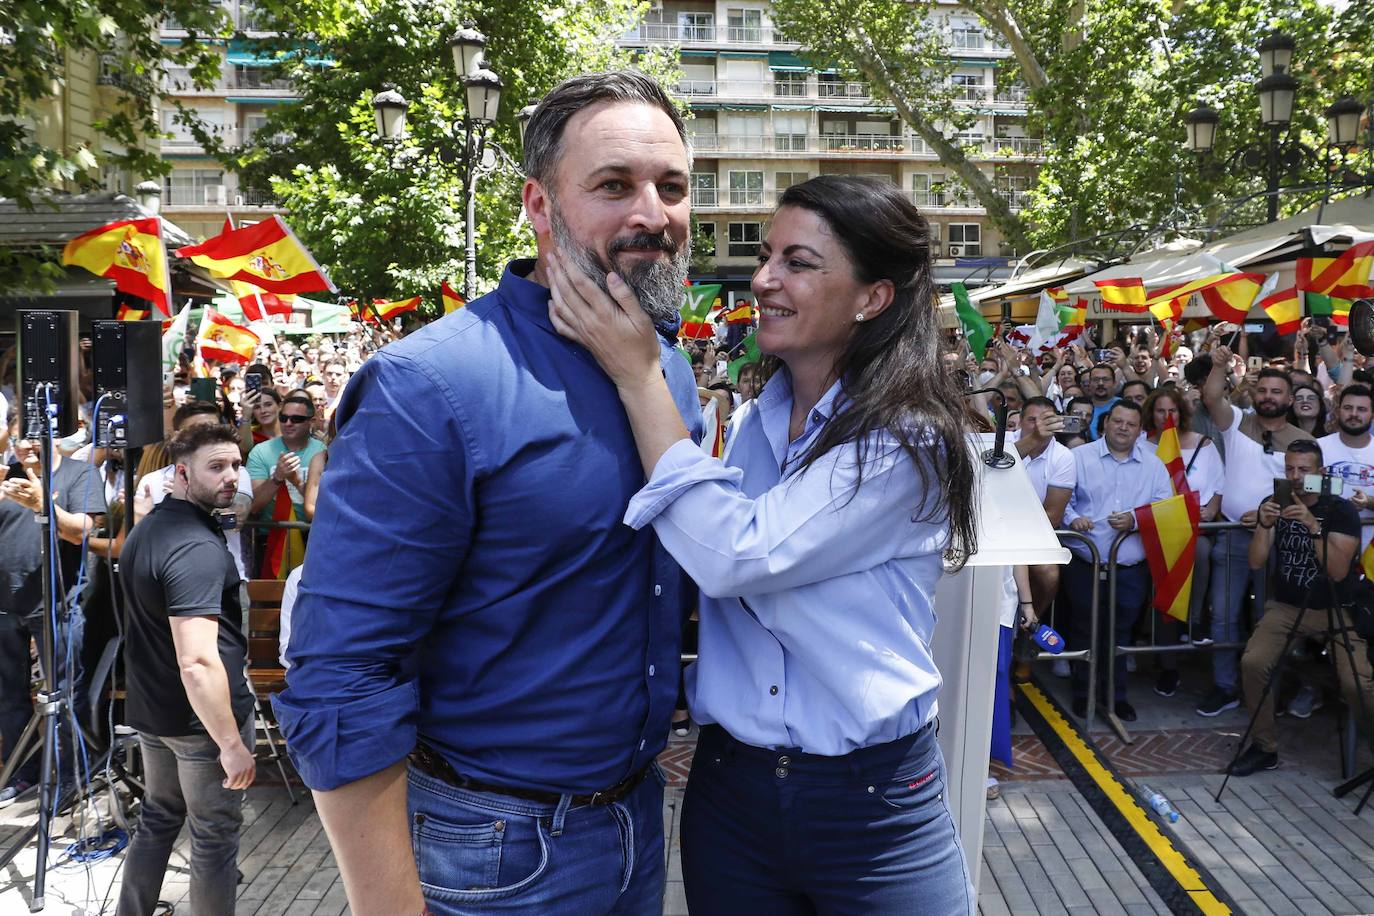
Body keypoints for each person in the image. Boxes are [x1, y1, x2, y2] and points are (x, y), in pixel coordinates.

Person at [273, 71, 703, 915]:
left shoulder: (670, 376)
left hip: (639, 821)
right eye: (613, 185)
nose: (652, 213)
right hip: (492, 850)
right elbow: (341, 674)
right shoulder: (428, 385)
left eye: (672, 186)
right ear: (538, 207)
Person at [547, 174, 979, 913]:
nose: (763, 279)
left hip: (874, 804)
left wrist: (639, 375)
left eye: (798, 263)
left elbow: (735, 555)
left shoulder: (907, 439)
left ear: (872, 298)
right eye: (767, 254)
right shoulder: (753, 424)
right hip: (732, 795)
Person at [115, 422, 257, 916]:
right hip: (203, 726)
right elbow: (196, 661)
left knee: (158, 817)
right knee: (214, 839)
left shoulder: (148, 530)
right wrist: (232, 744)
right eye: (216, 467)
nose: (231, 477)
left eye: (236, 465)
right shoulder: (193, 546)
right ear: (180, 473)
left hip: (158, 713)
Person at [1232, 439, 1374, 775]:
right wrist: (1265, 525)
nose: (1295, 477)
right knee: (1253, 662)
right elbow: (1255, 562)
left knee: (1357, 683)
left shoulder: (1340, 509)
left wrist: (1313, 526)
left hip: (1338, 606)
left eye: (1304, 470)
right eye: (1290, 469)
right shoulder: (1275, 501)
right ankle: (1264, 747)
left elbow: (1338, 571)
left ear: (1320, 473)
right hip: (1288, 604)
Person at [0, 406, 107, 804]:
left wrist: (42, 502)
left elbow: (81, 532)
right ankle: (22, 773)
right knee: (9, 697)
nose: (25, 444)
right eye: (19, 435)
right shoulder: (7, 475)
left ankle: (70, 777)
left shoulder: (80, 473)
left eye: (32, 435)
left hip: (57, 606)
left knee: (64, 695)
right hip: (5, 606)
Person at [1199, 348, 1312, 717]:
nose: (1268, 397)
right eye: (1263, 391)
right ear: (1254, 393)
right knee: (1223, 617)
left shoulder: (1303, 443)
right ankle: (1225, 687)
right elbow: (1212, 396)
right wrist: (1218, 365)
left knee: (1272, 620)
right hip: (1232, 537)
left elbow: (1313, 491)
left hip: (1282, 543)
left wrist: (1270, 516)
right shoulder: (1236, 423)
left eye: (1276, 392)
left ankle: (1267, 691)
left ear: (1290, 399)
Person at [1062, 400, 1172, 721]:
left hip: (1129, 569)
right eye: (1118, 421)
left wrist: (1136, 521)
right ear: (1105, 422)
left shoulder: (1154, 465)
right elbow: (1059, 499)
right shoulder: (1078, 458)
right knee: (1084, 630)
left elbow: (1164, 506)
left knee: (1121, 635)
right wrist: (1073, 519)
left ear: (1140, 430)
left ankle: (1115, 695)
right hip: (1086, 564)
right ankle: (1084, 695)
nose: (1123, 428)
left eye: (1131, 424)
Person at [1140, 387, 1223, 697]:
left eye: (1171, 411)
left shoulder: (1204, 445)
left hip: (1196, 534)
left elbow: (1217, 489)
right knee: (1166, 594)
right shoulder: (1142, 447)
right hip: (1157, 537)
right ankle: (1168, 665)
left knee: (1200, 553)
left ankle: (1196, 620)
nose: (1166, 417)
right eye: (1160, 411)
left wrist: (1212, 508)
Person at [246, 395, 325, 578]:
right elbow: (254, 505)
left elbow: (322, 503)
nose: (288, 423)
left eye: (296, 419)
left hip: (312, 537)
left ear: (310, 422)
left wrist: (296, 481)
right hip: (271, 537)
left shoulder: (322, 451)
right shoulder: (261, 451)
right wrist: (277, 478)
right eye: (283, 418)